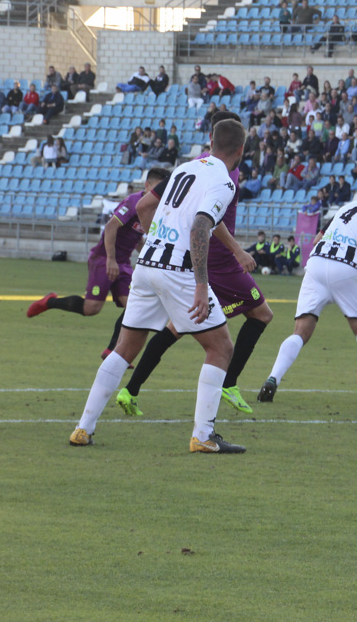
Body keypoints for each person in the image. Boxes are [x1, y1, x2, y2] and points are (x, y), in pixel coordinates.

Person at [67, 118, 248, 453]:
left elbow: (143, 206)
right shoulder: (224, 182)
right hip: (178, 271)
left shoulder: (182, 169)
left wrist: (155, 240)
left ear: (210, 141)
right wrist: (199, 284)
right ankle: (203, 436)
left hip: (146, 265)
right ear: (241, 150)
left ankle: (83, 428)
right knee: (221, 348)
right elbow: (199, 228)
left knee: (124, 348)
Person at [115, 113, 274, 417]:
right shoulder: (224, 171)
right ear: (237, 145)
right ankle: (227, 385)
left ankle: (130, 389)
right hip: (214, 257)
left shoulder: (194, 164)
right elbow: (207, 222)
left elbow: (149, 205)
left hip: (184, 255)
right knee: (260, 314)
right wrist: (237, 250)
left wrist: (157, 238)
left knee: (181, 325)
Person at [257, 177, 357, 402]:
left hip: (317, 262)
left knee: (300, 331)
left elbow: (319, 235)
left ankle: (272, 378)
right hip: (346, 265)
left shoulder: (349, 206)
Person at [27, 169, 172, 355]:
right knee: (91, 309)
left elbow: (135, 236)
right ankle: (50, 301)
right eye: (157, 188)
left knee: (134, 306)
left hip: (123, 262)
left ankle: (112, 350)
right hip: (104, 259)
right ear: (147, 186)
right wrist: (110, 259)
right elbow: (112, 226)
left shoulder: (154, 208)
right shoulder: (133, 202)